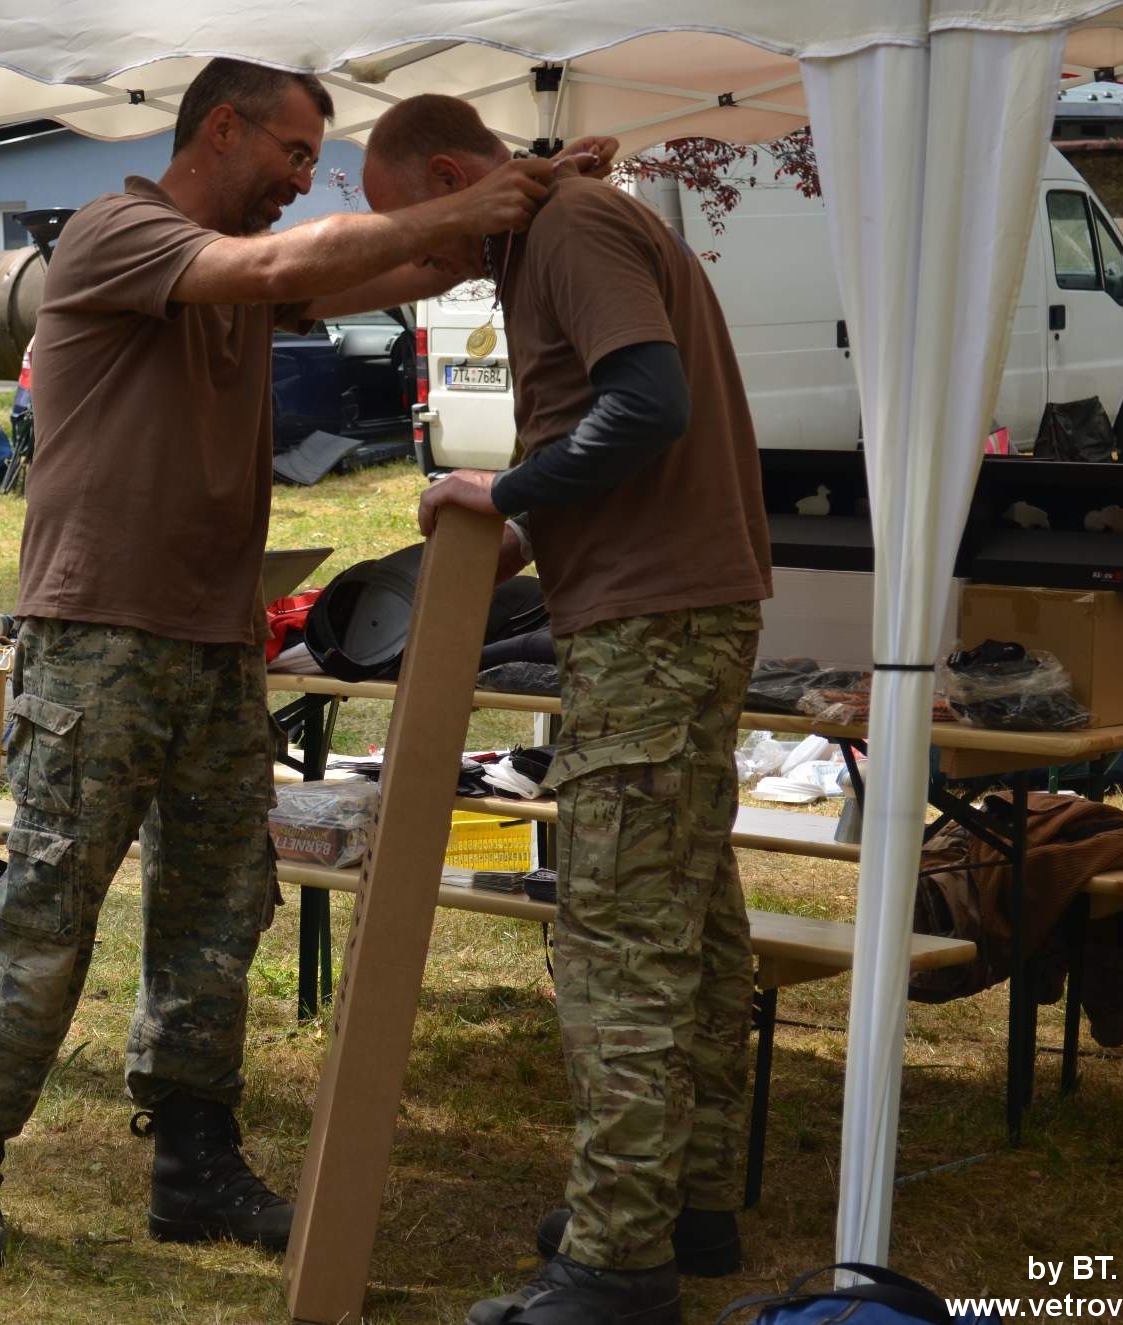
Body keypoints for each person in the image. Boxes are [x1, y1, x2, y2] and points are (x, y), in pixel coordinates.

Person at [0, 59, 607, 1273]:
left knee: (217, 906)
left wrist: (524, 195)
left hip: (218, 639)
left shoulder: (236, 269)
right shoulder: (121, 233)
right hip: (100, 632)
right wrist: (463, 204)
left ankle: (193, 1161)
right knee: (50, 901)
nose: (300, 179)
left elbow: (407, 268)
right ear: (221, 128)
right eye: (291, 153)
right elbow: (289, 266)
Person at [361, 94, 773, 1325]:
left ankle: (614, 1262)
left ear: (450, 174)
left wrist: (505, 490)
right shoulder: (558, 224)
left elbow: (646, 405)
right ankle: (681, 1203)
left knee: (619, 938)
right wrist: (528, 525)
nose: (414, 253)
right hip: (672, 605)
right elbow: (622, 428)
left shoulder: (567, 230)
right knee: (688, 920)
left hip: (653, 621)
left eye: (409, 221)